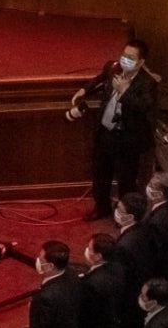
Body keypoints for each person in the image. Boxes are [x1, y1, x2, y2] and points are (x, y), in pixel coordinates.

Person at [67, 36, 159, 218]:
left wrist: (124, 91)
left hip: (127, 139)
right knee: (100, 175)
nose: (125, 60)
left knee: (126, 181)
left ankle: (125, 214)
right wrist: (85, 90)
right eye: (124, 55)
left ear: (140, 62)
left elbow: (144, 107)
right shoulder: (113, 68)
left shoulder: (148, 83)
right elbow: (99, 79)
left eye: (131, 58)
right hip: (105, 133)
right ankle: (102, 207)